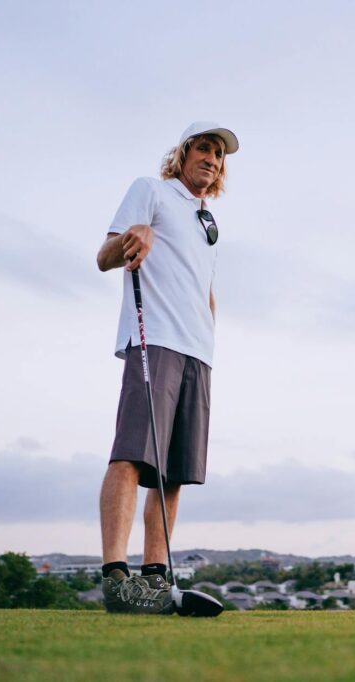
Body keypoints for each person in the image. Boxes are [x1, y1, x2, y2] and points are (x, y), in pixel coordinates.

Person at [95, 121, 239, 614]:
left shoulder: (207, 221)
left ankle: (155, 578)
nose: (213, 159)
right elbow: (104, 257)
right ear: (182, 154)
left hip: (198, 351)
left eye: (220, 154)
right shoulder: (151, 191)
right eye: (204, 147)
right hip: (153, 337)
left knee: (173, 471)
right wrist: (135, 236)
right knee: (133, 453)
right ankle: (117, 577)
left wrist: (210, 337)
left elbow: (205, 288)